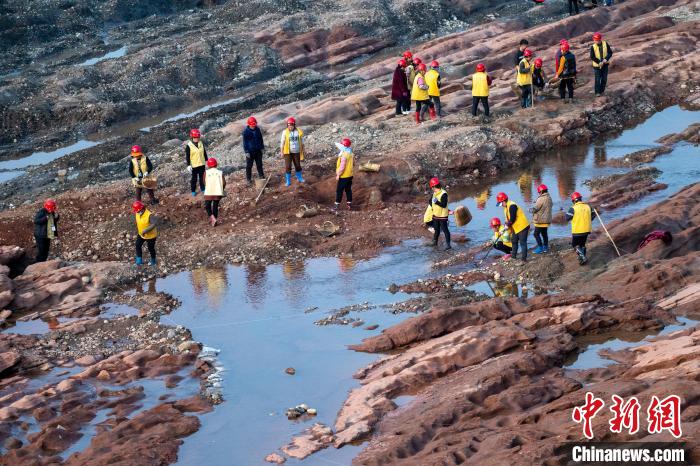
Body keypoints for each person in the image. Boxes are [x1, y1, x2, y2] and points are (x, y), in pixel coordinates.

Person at [496, 192, 530, 262]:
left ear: (503, 201)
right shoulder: (505, 207)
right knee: (514, 241)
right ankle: (513, 257)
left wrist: (506, 227)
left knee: (523, 243)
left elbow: (512, 219)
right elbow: (507, 220)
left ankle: (524, 260)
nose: (501, 205)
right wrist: (503, 228)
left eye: (501, 203)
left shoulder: (512, 206)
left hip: (522, 226)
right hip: (516, 227)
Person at [566, 191, 597, 265]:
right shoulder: (588, 206)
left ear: (574, 200)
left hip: (577, 231)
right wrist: (589, 220)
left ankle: (583, 257)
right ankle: (582, 260)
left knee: (575, 245)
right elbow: (593, 214)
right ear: (580, 199)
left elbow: (567, 218)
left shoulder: (573, 208)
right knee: (582, 245)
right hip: (587, 229)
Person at [279, 117, 305, 186]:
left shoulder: (299, 131)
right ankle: (288, 181)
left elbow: (302, 142)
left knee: (298, 165)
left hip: (296, 151)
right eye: (289, 125)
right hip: (288, 152)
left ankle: (299, 178)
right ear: (287, 125)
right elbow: (282, 142)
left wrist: (303, 151)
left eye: (291, 125)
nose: (290, 127)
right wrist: (281, 152)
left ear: (294, 125)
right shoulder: (285, 132)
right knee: (288, 166)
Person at [132, 200, 158, 266]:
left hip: (150, 236)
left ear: (141, 209)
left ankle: (153, 261)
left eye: (138, 211)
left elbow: (154, 224)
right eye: (136, 211)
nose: (137, 212)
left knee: (150, 248)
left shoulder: (149, 215)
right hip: (141, 234)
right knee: (138, 245)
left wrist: (145, 230)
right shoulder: (138, 213)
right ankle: (139, 261)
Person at [428, 177, 451, 250]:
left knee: (445, 230)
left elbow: (444, 205)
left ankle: (448, 245)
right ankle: (435, 242)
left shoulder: (444, 194)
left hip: (442, 216)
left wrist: (436, 202)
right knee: (436, 230)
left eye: (432, 187)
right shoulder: (434, 193)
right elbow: (430, 201)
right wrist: (433, 207)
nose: (431, 188)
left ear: (434, 186)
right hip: (435, 215)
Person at [242, 116, 265, 184]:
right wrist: (246, 152)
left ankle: (261, 176)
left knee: (259, 164)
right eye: (252, 125)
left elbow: (260, 139)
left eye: (254, 125)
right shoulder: (245, 132)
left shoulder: (257, 129)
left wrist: (262, 147)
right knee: (249, 166)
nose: (253, 126)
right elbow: (245, 143)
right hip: (250, 152)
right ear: (249, 124)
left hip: (258, 150)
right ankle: (248, 179)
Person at [203, 157, 226, 226]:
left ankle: (212, 218)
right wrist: (221, 189)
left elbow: (204, 182)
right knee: (215, 206)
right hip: (218, 192)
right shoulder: (220, 172)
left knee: (207, 206)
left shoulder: (206, 172)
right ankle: (214, 220)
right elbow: (224, 183)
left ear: (208, 165)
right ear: (216, 164)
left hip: (209, 192)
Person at [530, 184, 552, 253]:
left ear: (541, 191)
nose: (538, 193)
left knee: (536, 234)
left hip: (540, 220)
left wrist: (530, 210)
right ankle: (545, 247)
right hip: (547, 219)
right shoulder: (549, 197)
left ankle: (540, 248)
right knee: (544, 234)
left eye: (539, 192)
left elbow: (535, 209)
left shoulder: (541, 198)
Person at [186, 128, 208, 196]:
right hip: (194, 165)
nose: (197, 138)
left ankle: (203, 188)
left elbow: (204, 152)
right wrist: (188, 165)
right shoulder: (189, 146)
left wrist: (207, 160)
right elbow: (188, 156)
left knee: (202, 178)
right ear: (192, 137)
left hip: (202, 164)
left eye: (198, 137)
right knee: (194, 179)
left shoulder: (201, 143)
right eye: (196, 137)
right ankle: (193, 191)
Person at [590, 32, 613, 96]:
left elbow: (610, 52)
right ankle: (597, 92)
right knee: (597, 79)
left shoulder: (605, 43)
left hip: (605, 64)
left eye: (597, 40)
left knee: (604, 78)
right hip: (597, 66)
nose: (596, 41)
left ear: (600, 39)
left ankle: (602, 90)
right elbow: (592, 56)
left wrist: (606, 59)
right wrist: (599, 62)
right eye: (595, 40)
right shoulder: (593, 47)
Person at [334, 138, 354, 210]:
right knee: (348, 189)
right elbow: (352, 163)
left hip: (344, 176)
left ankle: (336, 206)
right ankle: (349, 204)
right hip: (350, 175)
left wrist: (338, 175)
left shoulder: (344, 155)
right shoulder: (350, 153)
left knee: (339, 190)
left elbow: (342, 167)